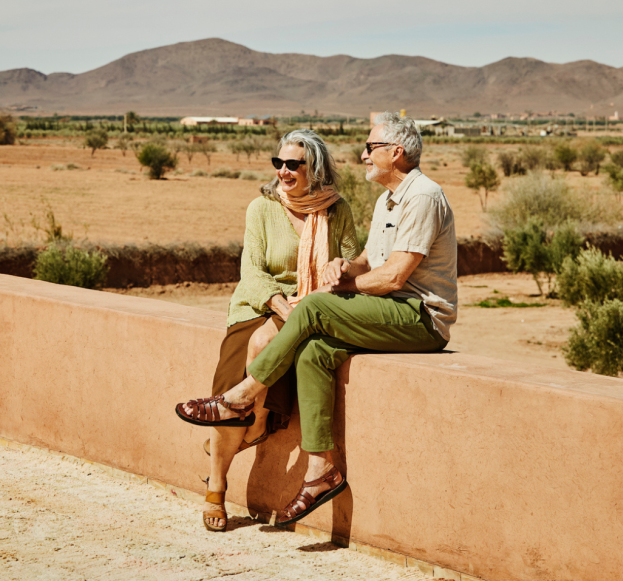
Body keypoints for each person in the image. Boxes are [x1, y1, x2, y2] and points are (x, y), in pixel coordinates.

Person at [176, 111, 457, 526]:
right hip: (283, 307)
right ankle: (321, 470)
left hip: (416, 314)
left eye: (370, 146)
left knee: (313, 308)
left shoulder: (421, 197)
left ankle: (242, 398)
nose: (363, 154)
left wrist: (335, 289)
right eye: (280, 163)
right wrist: (345, 267)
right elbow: (367, 260)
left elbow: (396, 275)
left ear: (395, 152)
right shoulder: (387, 199)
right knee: (315, 353)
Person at [188, 128, 358, 532]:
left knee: (259, 362)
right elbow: (252, 272)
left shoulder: (337, 210)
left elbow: (352, 259)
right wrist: (281, 305)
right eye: (278, 163)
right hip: (259, 304)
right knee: (231, 378)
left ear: (314, 168)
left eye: (293, 164)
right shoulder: (261, 208)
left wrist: (341, 270)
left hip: (313, 305)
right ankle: (217, 486)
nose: (283, 171)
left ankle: (258, 424)